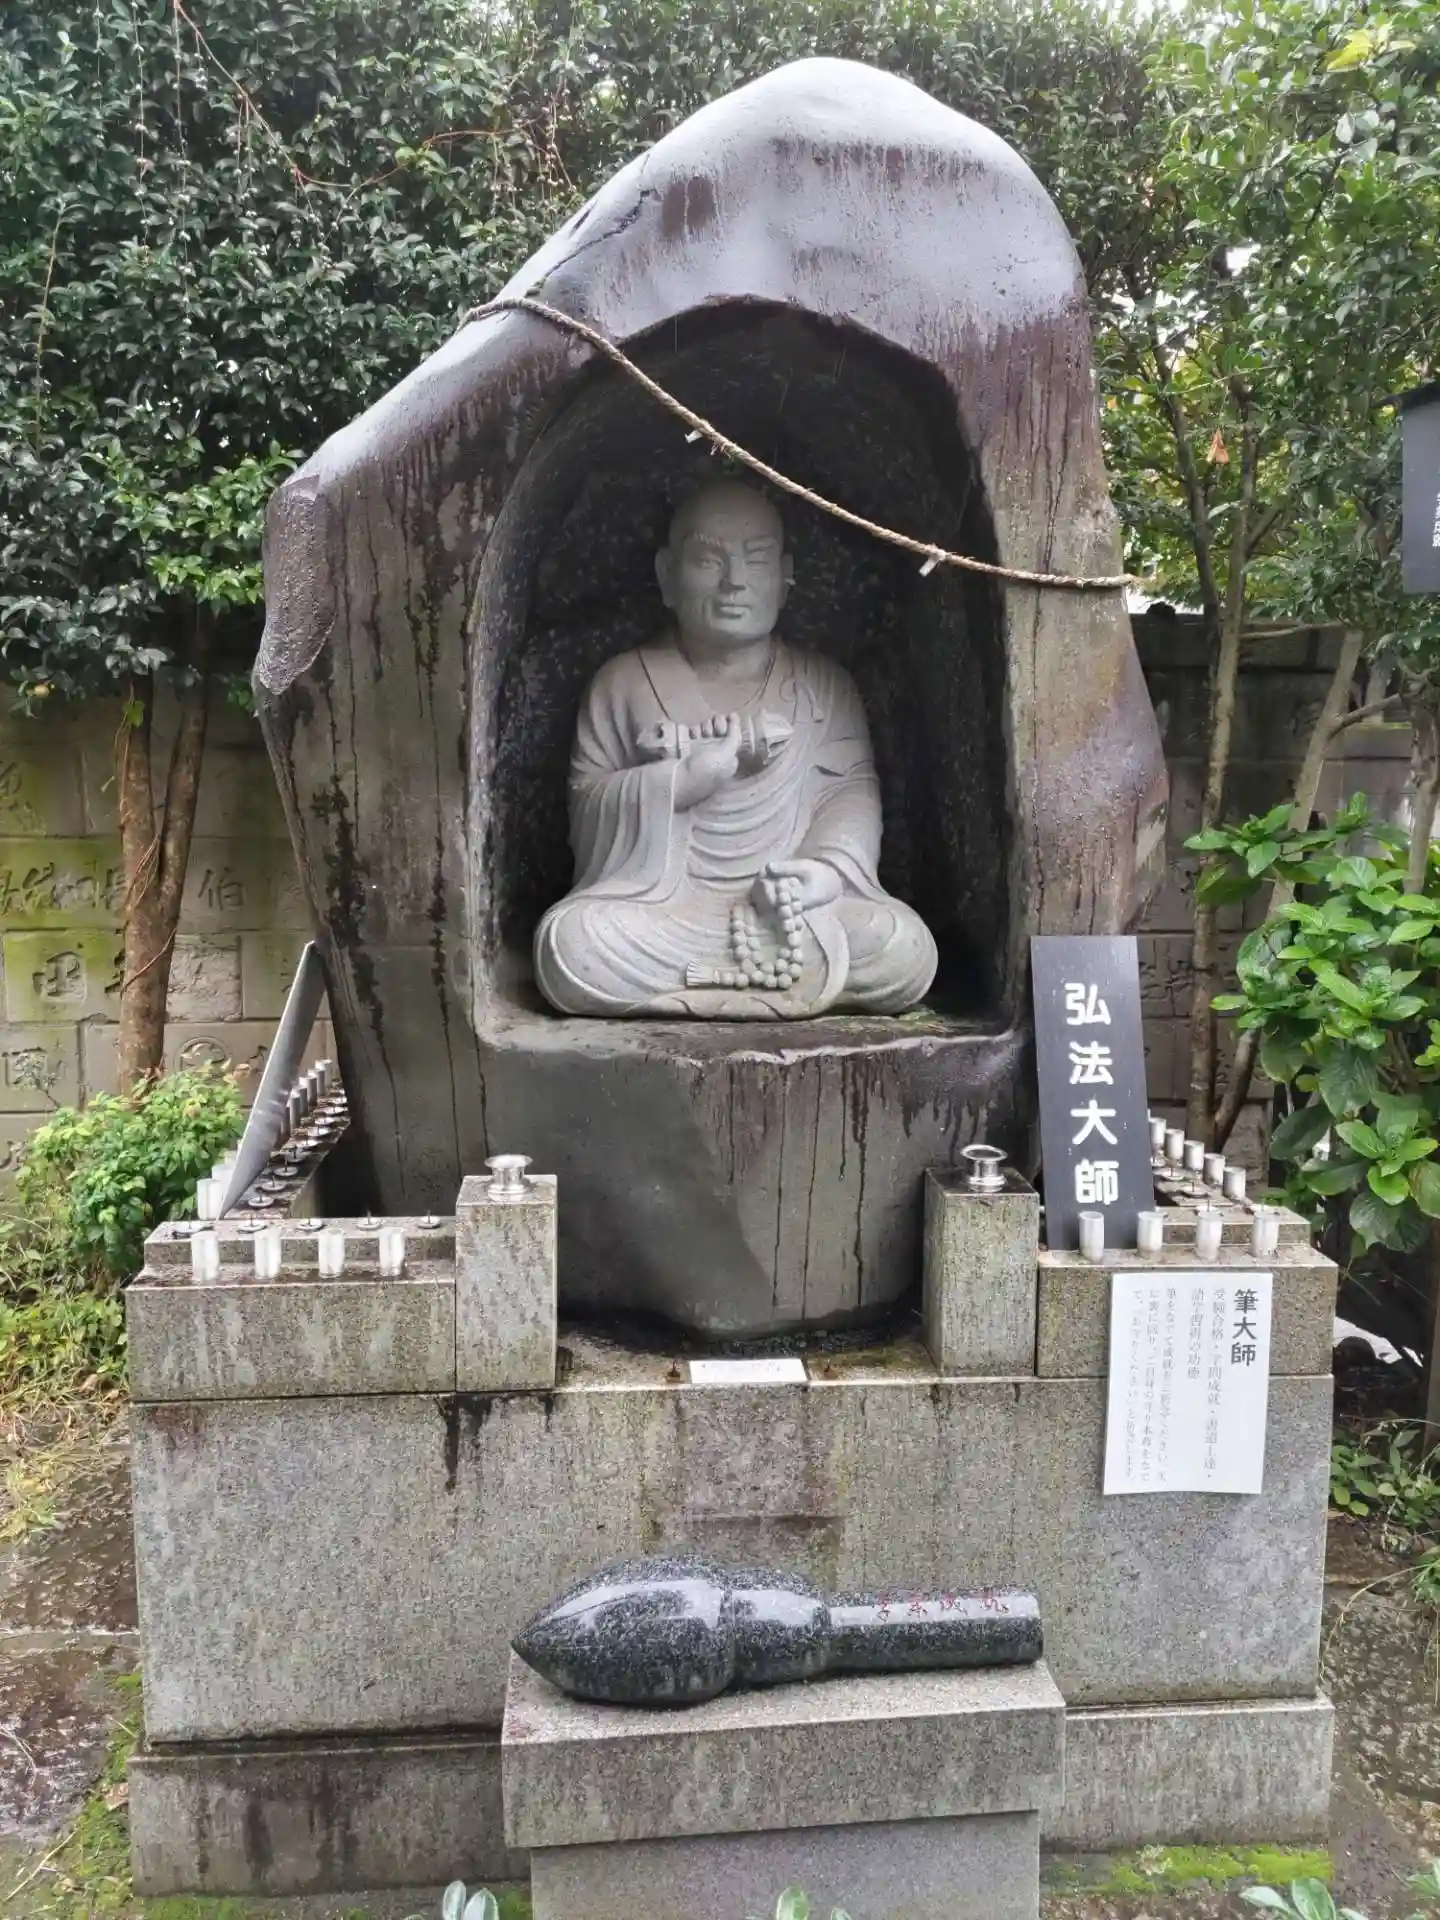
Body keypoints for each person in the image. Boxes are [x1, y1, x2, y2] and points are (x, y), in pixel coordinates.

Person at [534, 480, 937, 1018]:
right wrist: (679, 784)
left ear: (785, 577)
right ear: (667, 576)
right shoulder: (623, 683)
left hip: (786, 915)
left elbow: (847, 796)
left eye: (757, 559)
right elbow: (588, 806)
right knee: (570, 944)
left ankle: (719, 984)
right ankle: (767, 983)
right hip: (665, 914)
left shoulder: (822, 686)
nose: (734, 582)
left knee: (903, 947)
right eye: (708, 560)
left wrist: (825, 872)